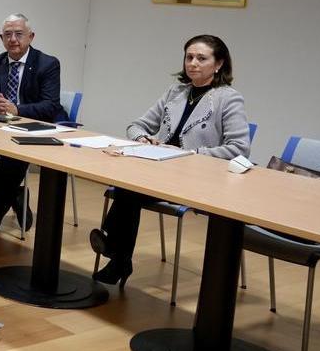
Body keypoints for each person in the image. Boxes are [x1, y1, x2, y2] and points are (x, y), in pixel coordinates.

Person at [89, 34, 250, 287]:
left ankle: (115, 252)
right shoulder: (176, 92)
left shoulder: (228, 98)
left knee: (129, 189)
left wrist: (190, 153)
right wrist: (143, 138)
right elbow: (136, 125)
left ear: (219, 64)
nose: (193, 63)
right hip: (160, 169)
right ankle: (118, 256)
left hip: (196, 177)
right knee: (128, 185)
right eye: (189, 57)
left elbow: (239, 148)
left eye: (201, 58)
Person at [0, 13, 66, 231]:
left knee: (14, 157)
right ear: (1, 38)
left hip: (35, 127)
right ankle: (13, 193)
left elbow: (50, 106)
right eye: (7, 35)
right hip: (0, 126)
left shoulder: (47, 64)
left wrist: (16, 109)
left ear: (31, 37)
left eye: (19, 34)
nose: (13, 39)